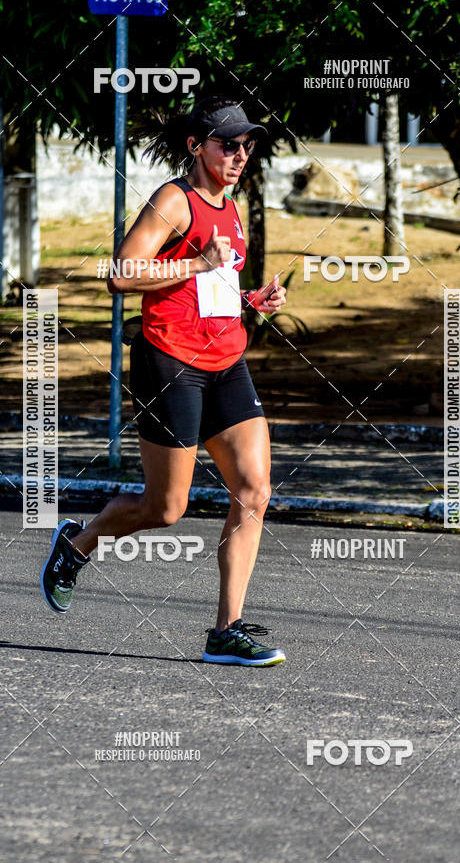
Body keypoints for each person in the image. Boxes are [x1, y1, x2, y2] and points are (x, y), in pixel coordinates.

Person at [40, 96, 288, 666]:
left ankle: (226, 631)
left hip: (226, 359)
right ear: (196, 146)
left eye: (247, 145)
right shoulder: (175, 200)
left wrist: (253, 300)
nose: (240, 154)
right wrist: (197, 263)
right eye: (228, 144)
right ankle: (78, 544)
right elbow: (122, 274)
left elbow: (211, 289)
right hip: (170, 363)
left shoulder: (231, 207)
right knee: (166, 508)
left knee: (253, 489)